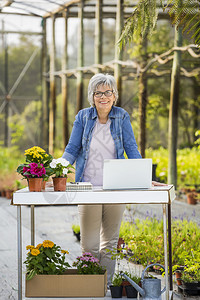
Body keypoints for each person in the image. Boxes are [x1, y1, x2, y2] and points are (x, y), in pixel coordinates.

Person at [62, 73, 162, 285]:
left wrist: (143, 177)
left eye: (108, 92)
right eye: (98, 93)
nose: (103, 97)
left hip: (116, 186)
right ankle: (90, 284)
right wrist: (58, 167)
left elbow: (131, 147)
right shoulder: (83, 117)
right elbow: (72, 148)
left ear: (114, 95)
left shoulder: (122, 116)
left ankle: (105, 285)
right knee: (89, 244)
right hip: (88, 187)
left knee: (109, 242)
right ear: (92, 96)